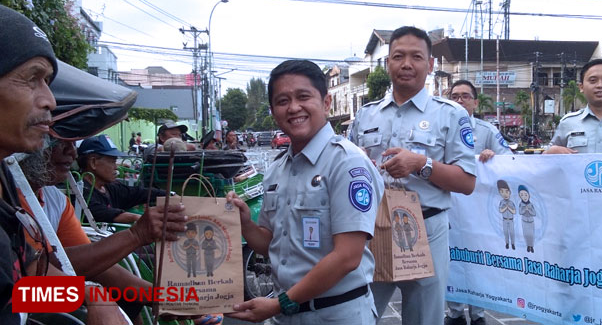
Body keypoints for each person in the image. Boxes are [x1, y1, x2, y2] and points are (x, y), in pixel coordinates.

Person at [227, 59, 384, 324]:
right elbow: (272, 243)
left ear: (326, 102)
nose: (294, 108)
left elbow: (347, 256)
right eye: (283, 100)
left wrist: (280, 303)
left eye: (303, 97)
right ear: (273, 111)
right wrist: (245, 224)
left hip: (337, 314)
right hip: (286, 315)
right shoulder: (277, 169)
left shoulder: (347, 163)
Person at [0, 5, 125, 324]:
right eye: (32, 79)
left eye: (48, 81)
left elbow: (28, 280)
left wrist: (89, 294)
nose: (50, 101)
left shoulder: (7, 182)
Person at [349, 26, 476, 325]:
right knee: (358, 314)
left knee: (423, 319)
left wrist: (421, 163)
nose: (407, 64)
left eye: (416, 57)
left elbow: (467, 182)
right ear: (387, 63)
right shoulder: (366, 115)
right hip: (373, 228)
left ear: (430, 65)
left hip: (427, 228)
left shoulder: (452, 114)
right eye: (399, 56)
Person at [18, 138, 189, 322]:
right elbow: (26, 284)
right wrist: (91, 294)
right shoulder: (10, 200)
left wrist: (160, 297)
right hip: (19, 300)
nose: (72, 153)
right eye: (58, 141)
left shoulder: (55, 199)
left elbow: (90, 265)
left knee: (129, 298)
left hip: (35, 294)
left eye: (72, 143)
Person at [445, 79, 512, 325]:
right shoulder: (440, 128)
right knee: (452, 259)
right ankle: (454, 312)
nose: (459, 100)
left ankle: (478, 313)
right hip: (449, 209)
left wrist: (493, 158)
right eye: (454, 96)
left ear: (475, 101)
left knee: (478, 260)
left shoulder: (487, 131)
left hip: (479, 211)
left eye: (465, 96)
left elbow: (510, 161)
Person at [77, 135, 168, 223]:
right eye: (112, 162)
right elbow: (99, 212)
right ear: (93, 162)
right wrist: (137, 218)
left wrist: (169, 194)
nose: (116, 167)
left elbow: (137, 193)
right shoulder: (78, 191)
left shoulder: (110, 188)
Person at [497, 180, 516, 249]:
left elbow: (514, 211)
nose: (505, 194)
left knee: (512, 233)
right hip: (504, 220)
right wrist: (506, 207)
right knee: (505, 233)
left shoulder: (511, 203)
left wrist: (509, 208)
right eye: (502, 192)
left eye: (507, 191)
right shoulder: (502, 202)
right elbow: (500, 210)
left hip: (511, 220)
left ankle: (513, 244)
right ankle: (507, 243)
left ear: (510, 192)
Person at [518, 185, 536, 253]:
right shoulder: (521, 204)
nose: (524, 197)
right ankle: (528, 246)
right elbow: (520, 212)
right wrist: (524, 210)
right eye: (522, 195)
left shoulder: (531, 204)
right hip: (524, 221)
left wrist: (529, 210)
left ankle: (531, 246)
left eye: (525, 195)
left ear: (528, 195)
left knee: (531, 235)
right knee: (526, 234)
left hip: (530, 221)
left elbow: (534, 213)